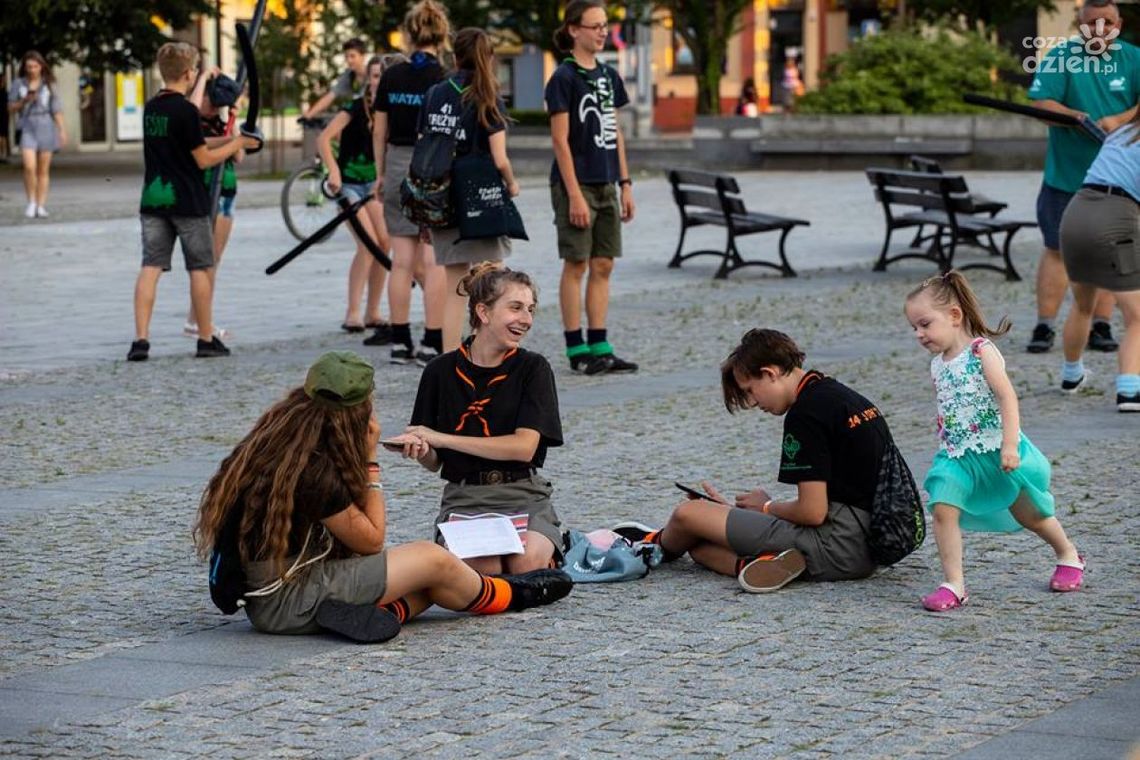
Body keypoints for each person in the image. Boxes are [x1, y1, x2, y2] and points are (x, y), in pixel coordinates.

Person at [192, 351, 573, 643]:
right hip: (292, 599)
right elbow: (371, 541)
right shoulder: (314, 471)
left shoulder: (281, 443)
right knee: (432, 559)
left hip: (274, 596)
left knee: (421, 579)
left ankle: (389, 612)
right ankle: (518, 593)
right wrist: (370, 460)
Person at [612, 328, 900, 593]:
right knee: (700, 546)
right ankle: (754, 564)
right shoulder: (839, 395)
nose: (752, 402)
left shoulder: (806, 415)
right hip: (868, 550)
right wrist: (744, 513)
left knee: (689, 515)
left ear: (770, 373)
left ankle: (650, 546)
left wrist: (765, 507)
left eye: (750, 390)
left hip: (834, 545)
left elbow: (813, 512)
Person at [904, 271, 1084, 612]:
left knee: (1031, 515)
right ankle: (953, 583)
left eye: (925, 324)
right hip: (956, 456)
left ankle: (1068, 553)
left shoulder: (981, 351)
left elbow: (1007, 399)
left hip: (996, 450)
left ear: (954, 316)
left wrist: (1010, 445)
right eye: (914, 327)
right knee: (942, 508)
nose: (919, 334)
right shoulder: (937, 365)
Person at [386, 264, 566, 575]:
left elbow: (523, 448)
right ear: (483, 312)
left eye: (530, 309)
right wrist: (421, 449)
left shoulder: (533, 368)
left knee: (526, 565)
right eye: (516, 308)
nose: (526, 320)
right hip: (465, 497)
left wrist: (441, 438)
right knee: (483, 570)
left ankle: (552, 548)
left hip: (523, 493)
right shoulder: (439, 371)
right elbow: (435, 461)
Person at [127, 42, 258, 362]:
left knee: (150, 266)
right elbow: (202, 158)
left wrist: (229, 138)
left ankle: (141, 340)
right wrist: (238, 142)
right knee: (201, 267)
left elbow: (188, 142)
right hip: (188, 200)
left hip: (153, 199)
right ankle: (204, 338)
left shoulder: (152, 107)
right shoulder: (186, 111)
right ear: (188, 73)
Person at [1025, 0, 1140, 354]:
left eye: (1108, 22)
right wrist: (1076, 116)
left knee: (1112, 254)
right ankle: (1044, 326)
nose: (1100, 30)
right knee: (1056, 250)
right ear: (1079, 23)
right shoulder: (1062, 57)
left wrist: (1119, 120)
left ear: (1119, 23)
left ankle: (1101, 326)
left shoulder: (1134, 58)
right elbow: (1042, 104)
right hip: (1067, 175)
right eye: (1092, 23)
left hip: (1118, 182)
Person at [546, 0, 638, 376]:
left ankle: (600, 345)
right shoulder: (563, 79)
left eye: (604, 25)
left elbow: (615, 133)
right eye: (595, 25)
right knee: (577, 263)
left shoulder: (608, 76)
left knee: (604, 263)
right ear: (574, 30)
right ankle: (576, 348)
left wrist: (626, 183)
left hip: (606, 182)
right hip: (576, 183)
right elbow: (560, 141)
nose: (603, 32)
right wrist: (574, 194)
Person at [421, 28, 519, 352]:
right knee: (496, 281)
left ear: (454, 56)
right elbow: (500, 157)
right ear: (488, 58)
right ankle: (493, 355)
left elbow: (425, 145)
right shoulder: (486, 94)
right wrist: (513, 183)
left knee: (455, 288)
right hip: (480, 196)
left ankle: (450, 363)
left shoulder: (435, 93)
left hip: (441, 194)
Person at [372, 0, 450, 366]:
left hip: (398, 162)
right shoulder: (445, 77)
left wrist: (381, 172)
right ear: (442, 34)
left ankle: (400, 340)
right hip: (434, 165)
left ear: (409, 34)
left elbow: (379, 129)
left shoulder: (392, 75)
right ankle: (432, 339)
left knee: (401, 260)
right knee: (433, 259)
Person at [1057, 113, 1140, 411]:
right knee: (1137, 316)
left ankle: (1071, 375)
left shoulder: (1122, 133)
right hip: (1116, 221)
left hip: (1076, 213)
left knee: (1082, 305)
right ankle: (1130, 391)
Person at [318, 55, 392, 337]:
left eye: (382, 76)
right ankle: (353, 312)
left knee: (385, 243)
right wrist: (333, 171)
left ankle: (373, 312)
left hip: (373, 186)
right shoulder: (354, 108)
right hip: (348, 186)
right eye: (374, 76)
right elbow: (324, 138)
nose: (377, 82)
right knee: (368, 243)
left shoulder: (389, 112)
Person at [183, 66, 242, 342]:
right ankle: (197, 322)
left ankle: (197, 319)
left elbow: (239, 155)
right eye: (209, 99)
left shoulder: (221, 123)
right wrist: (204, 76)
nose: (211, 105)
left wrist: (233, 120)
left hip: (227, 194)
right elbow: (198, 138)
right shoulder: (192, 122)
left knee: (213, 261)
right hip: (206, 194)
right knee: (205, 262)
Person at [7, 51, 67, 218]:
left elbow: (57, 110)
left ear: (41, 67)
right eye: (29, 67)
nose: (32, 69)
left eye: (35, 66)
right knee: (29, 166)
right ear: (24, 68)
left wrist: (62, 130)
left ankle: (41, 205)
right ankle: (31, 202)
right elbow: (10, 108)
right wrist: (24, 100)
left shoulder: (49, 84)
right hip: (27, 125)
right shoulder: (18, 84)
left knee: (43, 169)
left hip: (46, 125)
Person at [300, 38, 370, 121]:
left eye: (352, 56)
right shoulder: (349, 75)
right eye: (346, 57)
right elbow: (330, 96)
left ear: (363, 56)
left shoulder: (372, 75)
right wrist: (309, 115)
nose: (349, 60)